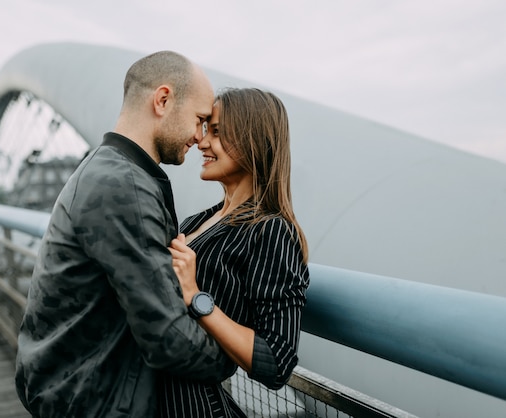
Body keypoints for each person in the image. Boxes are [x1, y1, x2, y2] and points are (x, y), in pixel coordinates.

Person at [15, 51, 237, 418]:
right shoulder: (124, 186)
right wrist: (234, 358)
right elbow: (166, 337)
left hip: (71, 389)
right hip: (94, 400)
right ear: (163, 100)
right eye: (199, 120)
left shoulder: (105, 167)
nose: (199, 138)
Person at [158, 88, 310, 417]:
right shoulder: (197, 220)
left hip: (190, 406)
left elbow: (276, 362)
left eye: (217, 132)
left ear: (252, 139)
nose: (201, 142)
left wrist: (194, 295)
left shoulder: (271, 231)